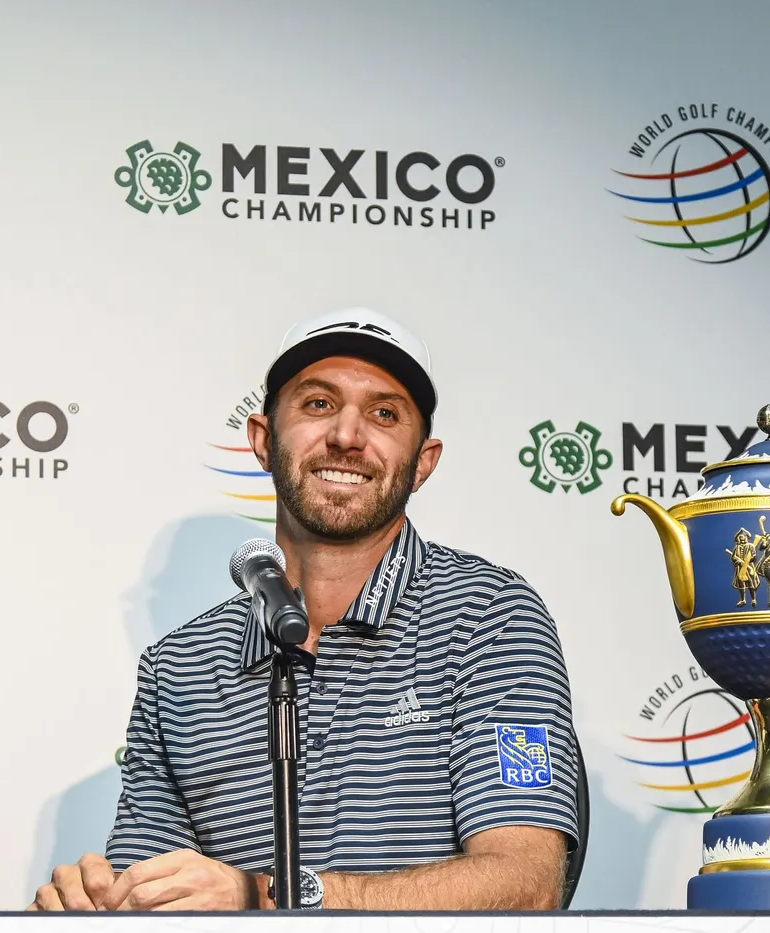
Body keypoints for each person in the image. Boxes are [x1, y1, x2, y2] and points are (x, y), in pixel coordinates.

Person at [31, 308, 580, 912]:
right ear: (263, 440)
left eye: (385, 414)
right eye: (319, 404)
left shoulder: (491, 616)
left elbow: (526, 885)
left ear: (423, 462)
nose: (347, 436)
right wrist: (96, 909)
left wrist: (262, 896)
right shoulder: (178, 666)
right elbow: (148, 901)